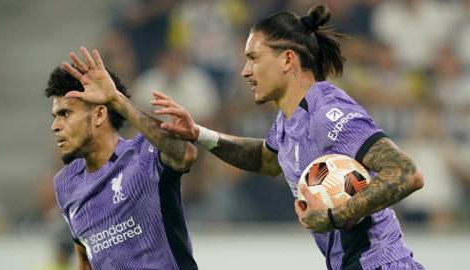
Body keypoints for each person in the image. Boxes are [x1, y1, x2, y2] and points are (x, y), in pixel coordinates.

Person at [152, 4, 425, 270]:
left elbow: (406, 173)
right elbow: (266, 160)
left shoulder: (327, 111)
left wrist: (334, 215)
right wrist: (200, 134)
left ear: (287, 59)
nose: (245, 71)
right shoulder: (287, 121)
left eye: (253, 58)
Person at [45, 47, 199, 270]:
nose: (55, 126)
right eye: (55, 116)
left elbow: (186, 153)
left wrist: (116, 100)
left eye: (65, 114)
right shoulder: (65, 183)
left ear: (99, 114)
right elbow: (85, 258)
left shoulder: (145, 153)